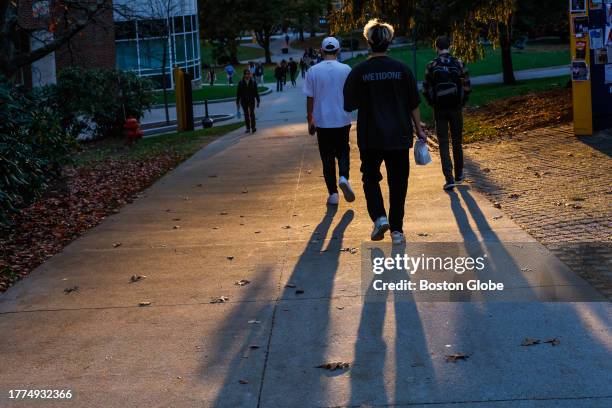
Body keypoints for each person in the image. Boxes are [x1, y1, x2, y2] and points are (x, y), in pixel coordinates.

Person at [344, 18, 427, 245]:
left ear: (368, 42)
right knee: (398, 182)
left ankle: (379, 217)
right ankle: (397, 231)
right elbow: (413, 104)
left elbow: (349, 105)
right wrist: (419, 130)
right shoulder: (403, 70)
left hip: (371, 136)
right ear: (388, 41)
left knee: (370, 178)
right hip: (399, 135)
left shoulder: (359, 71)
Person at [304, 37, 355, 206]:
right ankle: (343, 176)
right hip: (342, 118)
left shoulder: (313, 71)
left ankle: (333, 193)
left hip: (322, 121)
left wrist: (310, 118)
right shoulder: (346, 69)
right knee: (343, 150)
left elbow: (310, 98)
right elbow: (350, 94)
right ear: (338, 50)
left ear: (321, 50)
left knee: (326, 157)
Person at [422, 36, 471, 191]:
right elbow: (467, 86)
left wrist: (433, 103)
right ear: (450, 46)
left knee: (443, 142)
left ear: (436, 47)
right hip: (455, 108)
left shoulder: (432, 65)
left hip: (439, 109)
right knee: (457, 141)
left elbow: (425, 88)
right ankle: (459, 174)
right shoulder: (459, 63)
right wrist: (461, 103)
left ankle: (449, 178)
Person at [236, 69, 260, 133]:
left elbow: (256, 92)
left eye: (248, 74)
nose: (247, 75)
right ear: (244, 75)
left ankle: (253, 127)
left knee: (252, 113)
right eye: (246, 74)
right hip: (244, 101)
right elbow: (238, 93)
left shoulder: (253, 82)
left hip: (251, 100)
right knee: (246, 114)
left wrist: (258, 100)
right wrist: (237, 102)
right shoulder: (241, 82)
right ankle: (248, 128)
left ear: (250, 74)